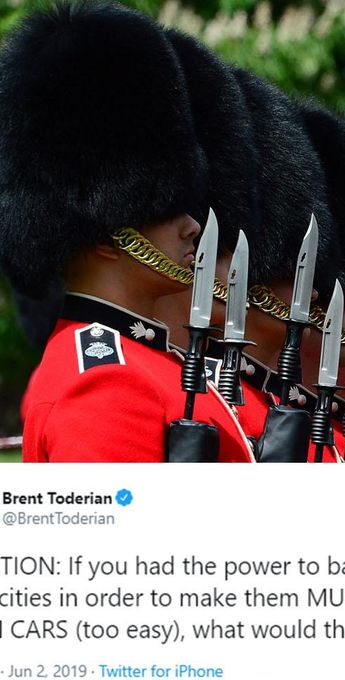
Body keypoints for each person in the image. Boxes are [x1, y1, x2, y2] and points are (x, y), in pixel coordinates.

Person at [0, 2, 252, 463]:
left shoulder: (153, 363)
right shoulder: (105, 382)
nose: (192, 225)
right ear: (104, 232)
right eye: (164, 207)